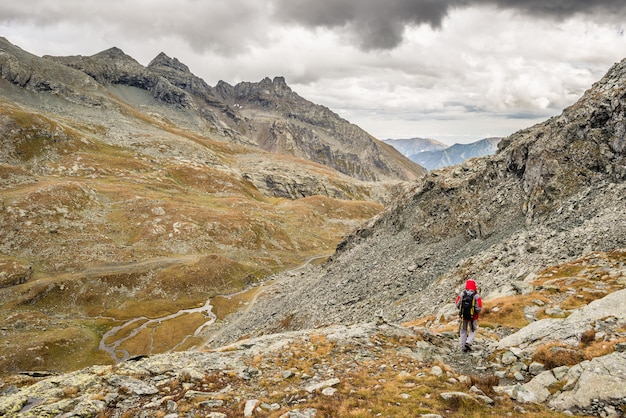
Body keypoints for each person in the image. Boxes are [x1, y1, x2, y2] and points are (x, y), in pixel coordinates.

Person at [455, 278, 482, 352]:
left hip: (463, 316)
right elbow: (478, 308)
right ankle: (469, 342)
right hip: (473, 317)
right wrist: (474, 311)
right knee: (473, 330)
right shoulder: (476, 296)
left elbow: (457, 305)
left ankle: (463, 347)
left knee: (463, 331)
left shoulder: (462, 294)